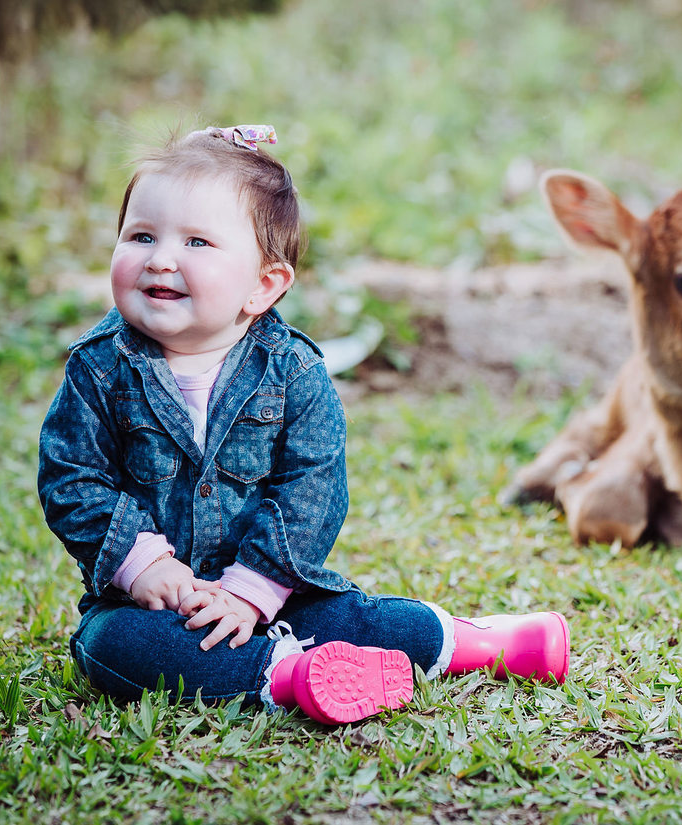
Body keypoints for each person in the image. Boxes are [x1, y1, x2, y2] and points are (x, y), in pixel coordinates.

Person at [38, 125, 570, 725]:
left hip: (278, 591)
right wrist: (143, 565)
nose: (161, 258)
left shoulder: (294, 372)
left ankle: (473, 644)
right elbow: (71, 477)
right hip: (152, 603)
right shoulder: (99, 368)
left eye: (197, 243)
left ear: (264, 286)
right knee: (112, 648)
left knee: (356, 618)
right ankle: (294, 675)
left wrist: (254, 587)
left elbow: (312, 487)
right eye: (141, 235)